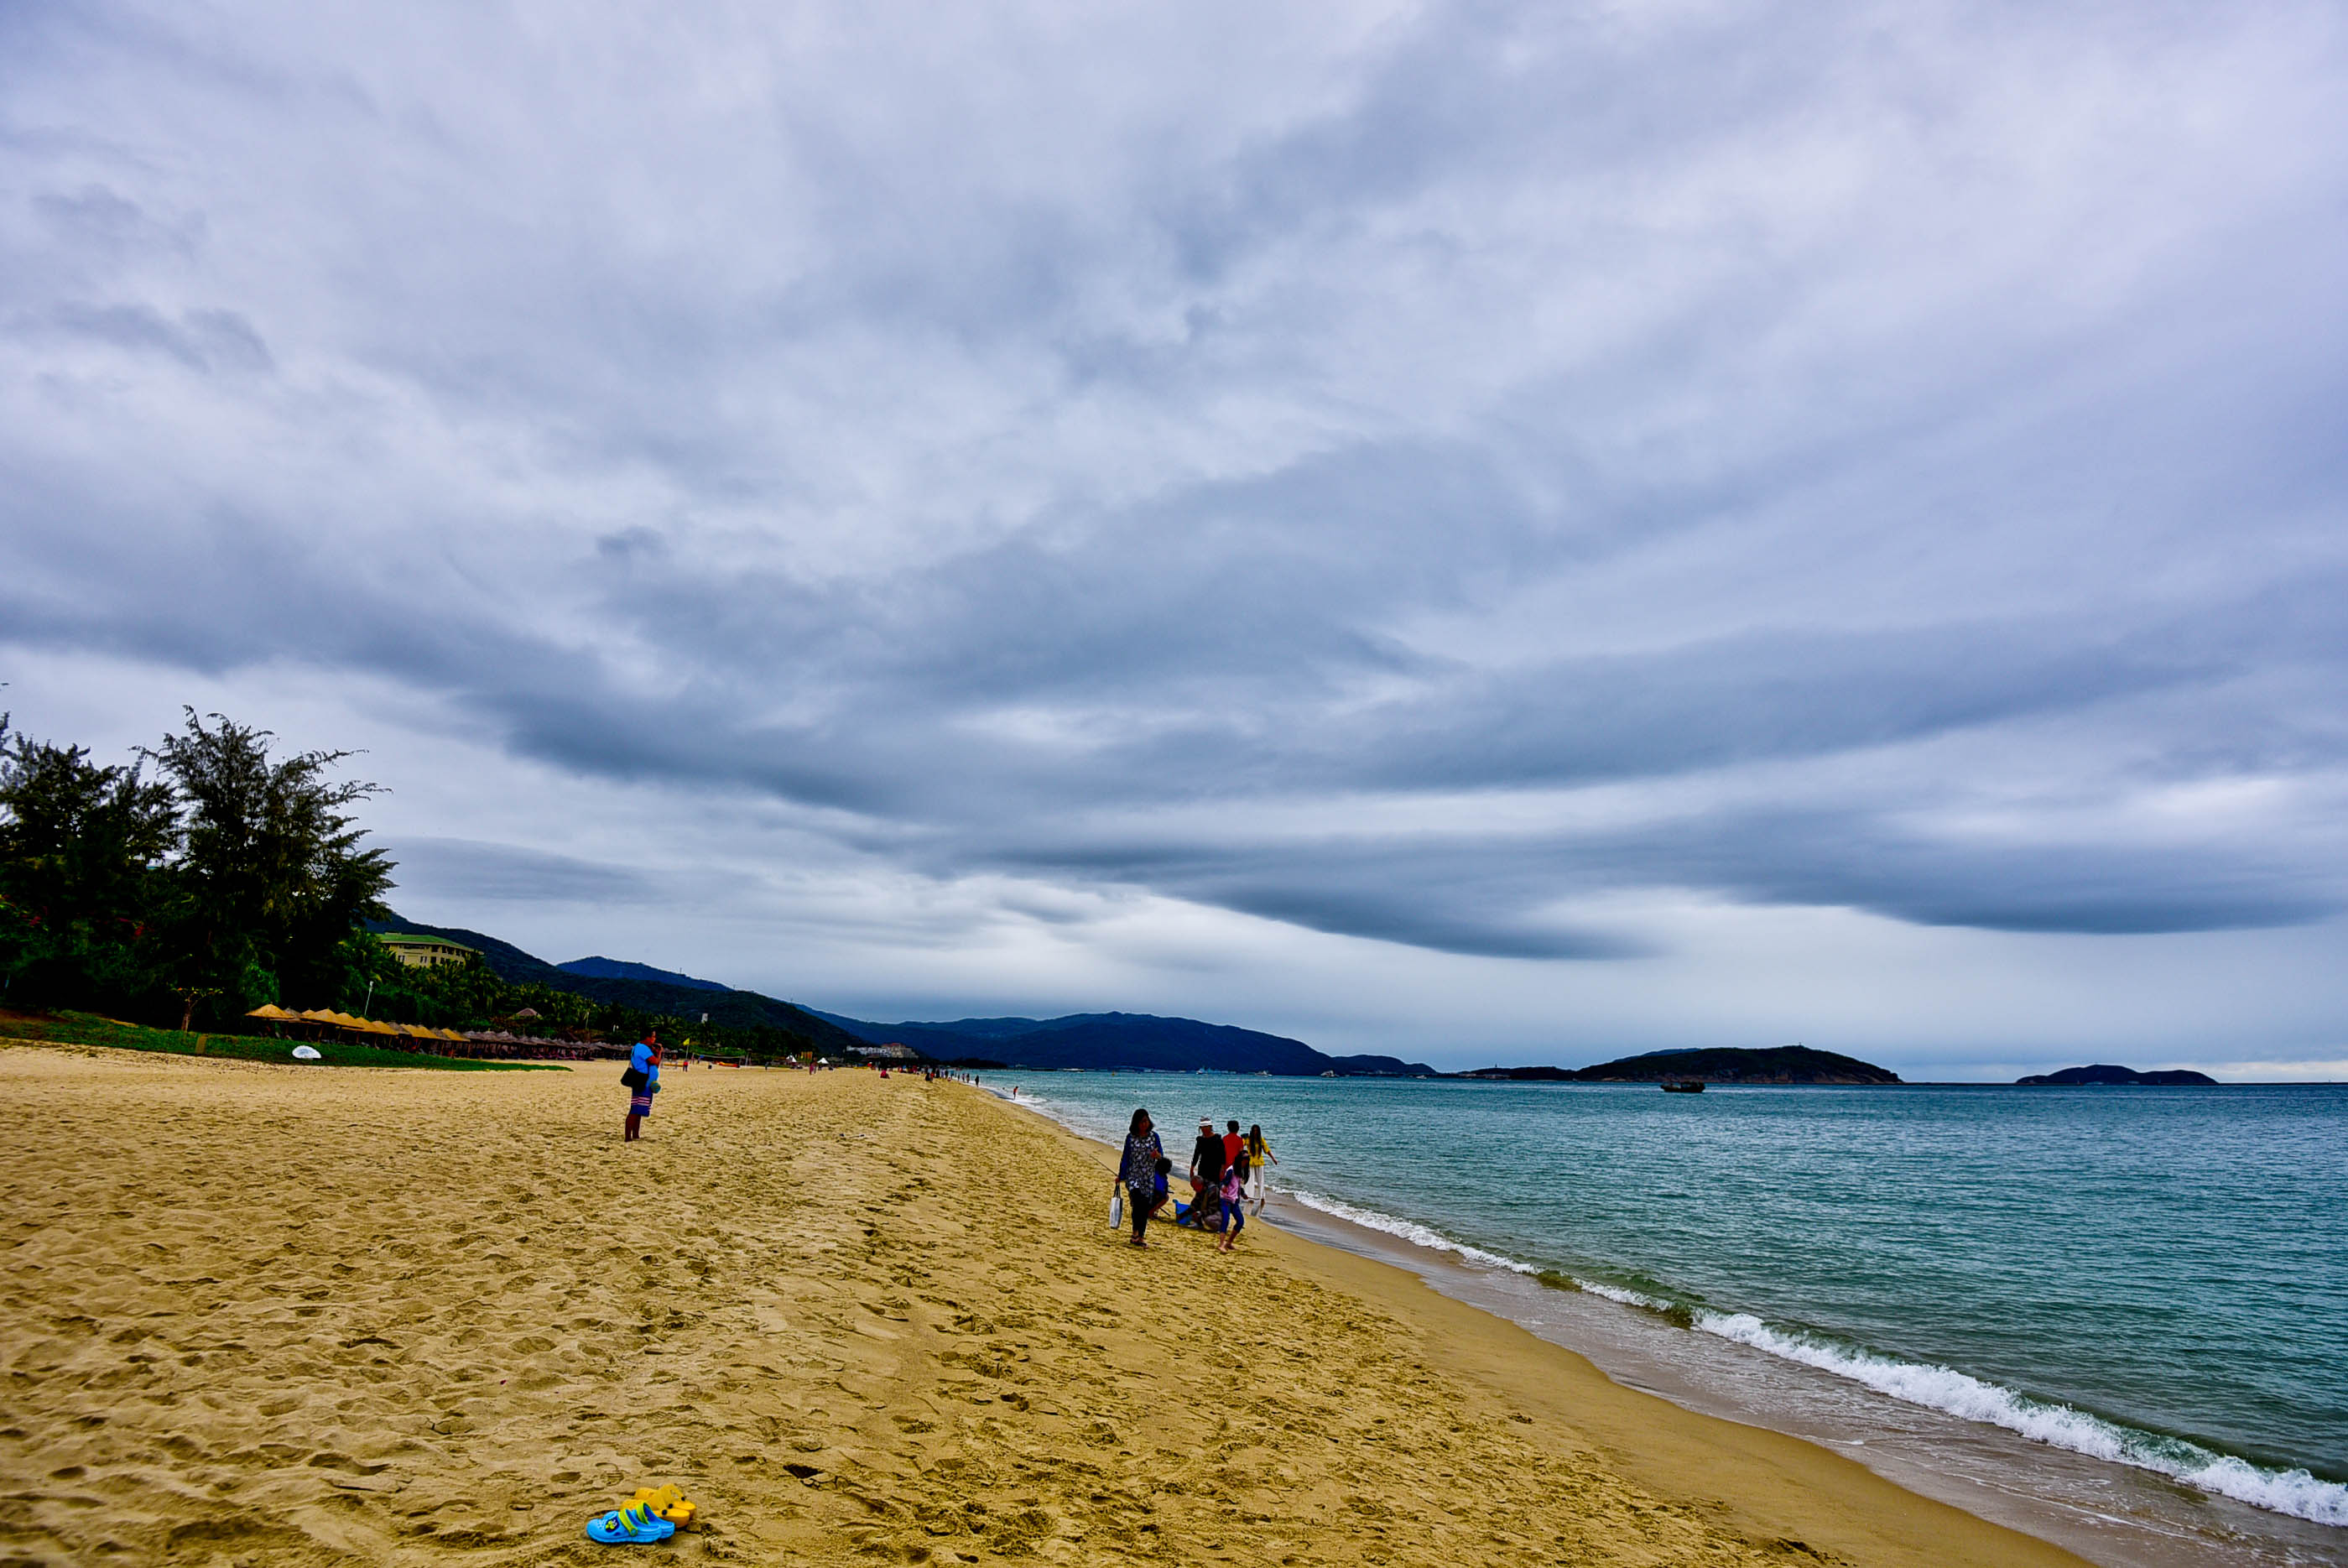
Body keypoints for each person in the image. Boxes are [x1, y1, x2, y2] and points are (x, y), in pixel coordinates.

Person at [1117, 1108, 1164, 1248]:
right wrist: (1121, 1175)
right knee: (1138, 1202)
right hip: (1133, 1175)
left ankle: (1140, 1235)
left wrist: (1157, 1156)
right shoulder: (1130, 1137)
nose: (1144, 1124)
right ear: (1136, 1123)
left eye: (1146, 1121)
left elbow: (1161, 1155)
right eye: (1141, 1122)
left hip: (1148, 1176)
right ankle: (1135, 1232)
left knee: (1144, 1206)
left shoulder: (1154, 1137)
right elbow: (1126, 1157)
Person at [1188, 1117, 1226, 1230]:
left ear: (1210, 1127)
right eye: (1202, 1128)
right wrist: (1192, 1167)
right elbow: (1196, 1154)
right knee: (1201, 1193)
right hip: (1203, 1169)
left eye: (1206, 1127)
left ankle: (1215, 1218)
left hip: (1215, 1169)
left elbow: (1222, 1155)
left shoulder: (1217, 1139)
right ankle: (1199, 1219)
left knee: (1214, 1193)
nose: (1204, 1130)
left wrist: (1222, 1169)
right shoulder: (1201, 1140)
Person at [624, 1032, 662, 1142]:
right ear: (647, 1037)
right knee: (635, 1110)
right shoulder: (642, 1048)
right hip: (642, 1082)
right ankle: (628, 1136)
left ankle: (635, 1134)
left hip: (644, 1082)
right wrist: (659, 1054)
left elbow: (654, 1064)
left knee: (639, 1110)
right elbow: (655, 1062)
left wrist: (656, 1053)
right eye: (653, 1036)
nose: (654, 1039)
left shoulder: (642, 1048)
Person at [1217, 1152, 1249, 1253]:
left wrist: (1243, 1193)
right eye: (1244, 1160)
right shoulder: (1231, 1170)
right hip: (1225, 1199)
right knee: (1225, 1220)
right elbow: (1222, 1183)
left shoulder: (1239, 1171)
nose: (1245, 1163)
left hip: (1234, 1200)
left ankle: (1229, 1243)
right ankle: (1221, 1244)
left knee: (1240, 1221)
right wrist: (1223, 1187)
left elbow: (1237, 1185)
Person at [1245, 1123, 1278, 1212]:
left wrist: (1273, 1159)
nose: (1255, 1132)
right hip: (1251, 1162)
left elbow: (1267, 1150)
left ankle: (1262, 1197)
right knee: (1250, 1180)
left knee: (1261, 1180)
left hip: (1259, 1162)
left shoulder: (1261, 1140)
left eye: (1257, 1131)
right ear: (1252, 1131)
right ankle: (1250, 1196)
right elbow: (1241, 1146)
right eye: (1254, 1131)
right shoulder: (1248, 1140)